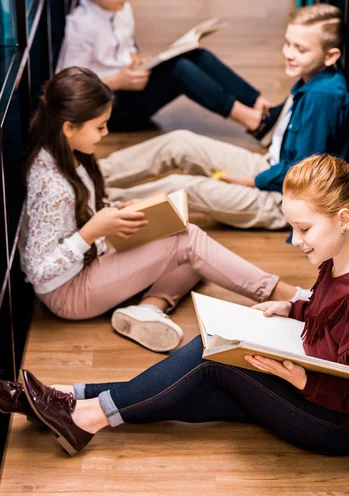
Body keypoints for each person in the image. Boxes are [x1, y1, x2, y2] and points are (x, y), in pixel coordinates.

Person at [3, 154, 349, 457]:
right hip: (308, 391)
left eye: (304, 229)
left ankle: (85, 416)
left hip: (336, 426)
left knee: (209, 354)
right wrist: (292, 310)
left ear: (344, 219)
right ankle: (67, 398)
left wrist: (301, 380)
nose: (295, 242)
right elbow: (328, 320)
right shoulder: (338, 261)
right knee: (188, 382)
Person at [17, 67, 307, 355]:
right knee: (189, 242)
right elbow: (37, 271)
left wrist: (112, 212)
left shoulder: (70, 153)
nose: (105, 133)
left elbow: (77, 216)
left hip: (92, 257)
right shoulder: (52, 186)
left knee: (195, 253)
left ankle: (149, 309)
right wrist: (93, 230)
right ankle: (290, 298)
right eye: (100, 126)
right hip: (68, 292)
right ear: (69, 127)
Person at [97, 3, 349, 230]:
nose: (289, 53)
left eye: (300, 49)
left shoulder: (323, 97)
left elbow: (301, 176)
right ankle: (92, 175)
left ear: (331, 56)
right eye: (288, 43)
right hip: (272, 169)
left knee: (182, 187)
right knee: (179, 142)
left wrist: (251, 181)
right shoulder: (314, 81)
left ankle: (101, 203)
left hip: (284, 200)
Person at [56, 0, 274, 135]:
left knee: (197, 55)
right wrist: (116, 81)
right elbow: (69, 85)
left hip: (131, 86)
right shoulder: (81, 26)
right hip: (108, 108)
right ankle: (254, 122)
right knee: (180, 71)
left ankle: (261, 105)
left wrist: (135, 58)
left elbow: (126, 45)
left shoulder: (121, 9)